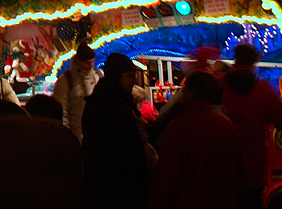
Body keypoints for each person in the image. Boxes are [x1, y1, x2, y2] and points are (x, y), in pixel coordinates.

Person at [147, 71, 244, 209]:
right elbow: (239, 175)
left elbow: (166, 179)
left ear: (193, 93)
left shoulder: (179, 127)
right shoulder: (228, 127)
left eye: (185, 90)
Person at [220, 43, 282, 209]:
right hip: (252, 170)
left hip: (220, 167)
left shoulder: (218, 87)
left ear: (235, 60)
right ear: (253, 64)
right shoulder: (263, 92)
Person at [81, 53, 152, 209]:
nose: (134, 81)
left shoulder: (105, 100)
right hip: (117, 184)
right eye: (129, 76)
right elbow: (126, 150)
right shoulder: (113, 105)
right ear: (115, 76)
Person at [52, 42, 100, 142]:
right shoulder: (66, 80)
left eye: (92, 62)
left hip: (97, 133)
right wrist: (67, 136)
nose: (90, 66)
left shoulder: (98, 76)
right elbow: (61, 111)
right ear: (78, 61)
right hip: (77, 135)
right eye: (87, 63)